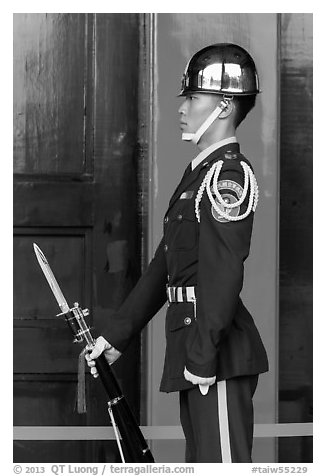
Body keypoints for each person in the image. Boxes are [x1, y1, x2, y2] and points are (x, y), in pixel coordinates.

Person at [85, 43, 269, 463]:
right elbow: (166, 265)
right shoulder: (199, 173)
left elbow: (223, 274)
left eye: (193, 97)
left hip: (216, 353)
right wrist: (118, 335)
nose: (183, 108)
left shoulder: (227, 175)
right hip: (196, 345)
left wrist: (203, 355)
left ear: (223, 106)